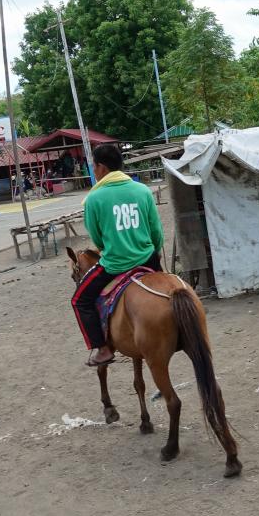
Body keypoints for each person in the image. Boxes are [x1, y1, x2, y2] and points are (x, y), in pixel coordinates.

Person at [71, 143, 164, 367]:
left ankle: (102, 348)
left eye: (93, 166)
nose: (93, 170)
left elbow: (98, 239)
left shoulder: (94, 199)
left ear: (101, 167)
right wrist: (154, 257)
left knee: (79, 300)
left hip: (115, 264)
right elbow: (156, 232)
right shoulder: (142, 191)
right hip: (148, 259)